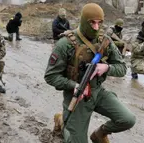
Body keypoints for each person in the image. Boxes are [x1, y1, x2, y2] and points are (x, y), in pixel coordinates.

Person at [44, 3, 136, 143]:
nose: (96, 27)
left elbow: (122, 68)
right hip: (77, 96)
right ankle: (62, 120)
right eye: (92, 22)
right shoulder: (65, 44)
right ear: (83, 21)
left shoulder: (105, 41)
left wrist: (106, 68)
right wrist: (73, 85)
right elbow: (50, 76)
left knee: (127, 119)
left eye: (99, 23)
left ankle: (99, 134)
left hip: (97, 92)